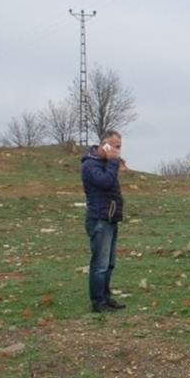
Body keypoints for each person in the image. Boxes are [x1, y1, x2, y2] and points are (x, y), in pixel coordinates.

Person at [81, 131, 126, 312]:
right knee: (100, 264)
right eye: (115, 146)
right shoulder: (91, 165)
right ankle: (97, 302)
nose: (118, 151)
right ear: (105, 145)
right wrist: (113, 162)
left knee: (109, 263)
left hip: (110, 218)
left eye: (119, 147)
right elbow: (106, 182)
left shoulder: (106, 164)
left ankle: (106, 297)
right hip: (99, 219)